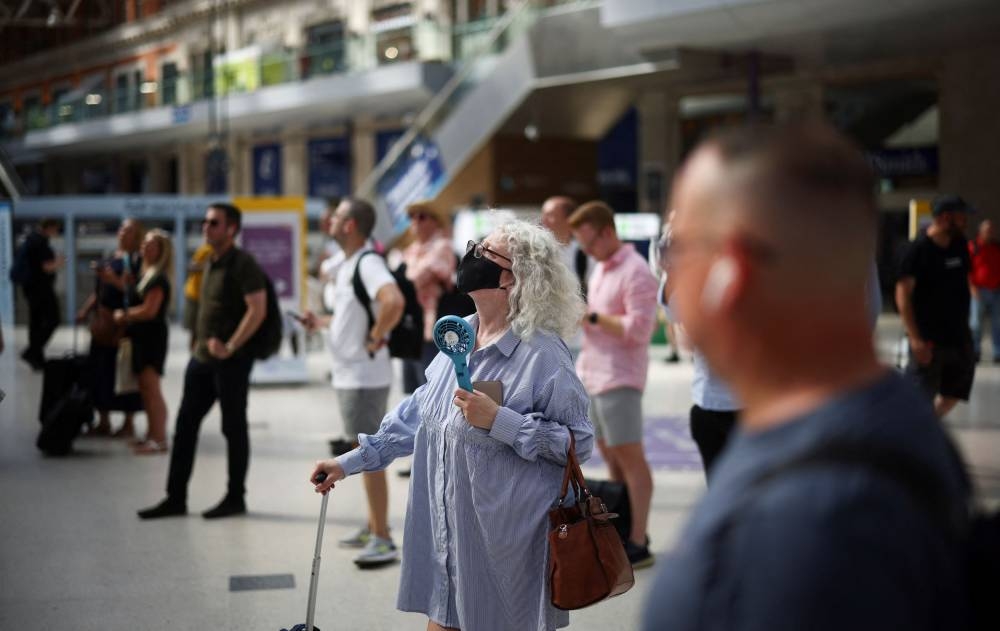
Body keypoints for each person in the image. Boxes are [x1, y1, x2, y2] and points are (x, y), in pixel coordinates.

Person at [643, 122, 971, 630]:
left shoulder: (745, 556)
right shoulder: (904, 427)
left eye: (680, 249)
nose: (670, 269)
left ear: (731, 274)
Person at [309, 221, 593, 630]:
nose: (470, 255)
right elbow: (418, 415)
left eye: (485, 253)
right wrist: (349, 462)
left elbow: (578, 443)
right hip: (449, 542)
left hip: (507, 554)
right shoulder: (457, 337)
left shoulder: (542, 355)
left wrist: (502, 421)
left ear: (510, 278)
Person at [137, 202, 267, 520]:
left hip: (231, 362)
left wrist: (232, 345)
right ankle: (175, 497)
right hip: (202, 360)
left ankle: (236, 497)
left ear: (231, 228)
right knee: (184, 426)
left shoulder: (243, 263)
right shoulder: (208, 260)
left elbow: (257, 309)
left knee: (233, 428)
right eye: (205, 222)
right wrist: (197, 340)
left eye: (213, 223)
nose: (206, 228)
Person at [302, 198, 405, 567]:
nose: (329, 219)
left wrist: (376, 336)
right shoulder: (349, 264)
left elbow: (393, 301)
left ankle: (382, 538)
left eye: (338, 216)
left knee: (369, 453)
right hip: (352, 374)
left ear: (350, 225)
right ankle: (372, 524)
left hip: (363, 376)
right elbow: (352, 316)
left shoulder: (369, 262)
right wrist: (323, 323)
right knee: (360, 447)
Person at [568, 200, 658, 567]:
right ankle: (626, 527)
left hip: (621, 375)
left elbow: (640, 330)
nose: (587, 250)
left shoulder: (636, 271)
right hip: (595, 373)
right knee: (611, 454)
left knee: (631, 458)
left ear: (608, 232)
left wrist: (591, 316)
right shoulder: (602, 266)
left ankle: (639, 538)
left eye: (590, 242)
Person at [896, 194, 977, 418]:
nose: (965, 221)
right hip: (929, 339)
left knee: (956, 391)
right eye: (961, 217)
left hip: (959, 337)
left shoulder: (960, 245)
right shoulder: (917, 250)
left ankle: (926, 424)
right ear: (944, 217)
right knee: (919, 396)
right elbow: (902, 294)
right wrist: (915, 338)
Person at [76, 218, 144, 437]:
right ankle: (103, 420)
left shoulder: (138, 261)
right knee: (98, 371)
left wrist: (113, 279)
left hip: (123, 324)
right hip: (102, 323)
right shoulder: (111, 257)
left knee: (124, 372)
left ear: (137, 235)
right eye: (122, 228)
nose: (124, 233)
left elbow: (136, 292)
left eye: (130, 230)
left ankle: (128, 422)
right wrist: (86, 310)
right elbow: (100, 291)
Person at [113, 229, 173, 454]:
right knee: (145, 388)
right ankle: (151, 434)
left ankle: (159, 439)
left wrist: (124, 315)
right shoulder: (144, 274)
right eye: (144, 244)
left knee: (152, 387)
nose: (145, 248)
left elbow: (149, 311)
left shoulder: (157, 278)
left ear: (161, 251)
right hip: (142, 337)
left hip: (151, 338)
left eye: (151, 245)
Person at [399, 201, 458, 393]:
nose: (415, 221)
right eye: (412, 216)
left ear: (435, 221)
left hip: (431, 326)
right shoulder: (411, 250)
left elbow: (414, 280)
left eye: (422, 216)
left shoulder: (442, 246)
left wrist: (400, 278)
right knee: (411, 392)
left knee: (430, 388)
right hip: (410, 326)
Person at [540, 195, 591, 357]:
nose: (543, 220)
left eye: (550, 215)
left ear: (569, 220)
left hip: (576, 343)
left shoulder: (584, 255)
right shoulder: (536, 255)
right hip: (541, 341)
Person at [15, 218, 63, 370]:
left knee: (36, 322)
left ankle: (36, 357)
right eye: (56, 229)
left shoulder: (31, 240)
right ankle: (32, 351)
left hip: (31, 288)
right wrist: (58, 262)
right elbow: (46, 267)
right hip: (40, 289)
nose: (56, 233)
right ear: (49, 227)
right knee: (53, 319)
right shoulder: (39, 242)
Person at [969, 218, 1000, 362]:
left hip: (996, 291)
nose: (990, 233)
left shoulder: (996, 247)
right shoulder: (973, 247)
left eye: (991, 230)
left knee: (998, 323)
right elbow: (967, 270)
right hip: (978, 290)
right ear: (980, 231)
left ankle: (997, 352)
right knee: (975, 323)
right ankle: (975, 351)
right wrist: (972, 288)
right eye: (987, 230)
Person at [182, 240, 213, 351]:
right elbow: (192, 266)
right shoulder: (204, 249)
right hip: (195, 295)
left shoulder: (212, 250)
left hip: (204, 297)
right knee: (195, 330)